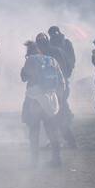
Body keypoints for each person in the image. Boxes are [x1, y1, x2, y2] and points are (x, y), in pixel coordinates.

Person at [21, 37, 67, 165]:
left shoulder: (30, 60)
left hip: (34, 99)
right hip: (51, 99)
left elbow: (24, 77)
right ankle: (57, 159)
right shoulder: (52, 60)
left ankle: (34, 161)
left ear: (29, 51)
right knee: (51, 130)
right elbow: (62, 82)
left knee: (34, 130)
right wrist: (60, 100)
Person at [47, 26, 77, 147]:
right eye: (52, 34)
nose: (54, 35)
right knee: (58, 108)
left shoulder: (65, 44)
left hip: (61, 79)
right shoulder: (50, 45)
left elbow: (71, 59)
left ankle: (66, 138)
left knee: (59, 109)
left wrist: (67, 71)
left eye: (55, 33)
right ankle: (62, 136)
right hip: (53, 81)